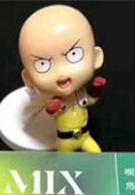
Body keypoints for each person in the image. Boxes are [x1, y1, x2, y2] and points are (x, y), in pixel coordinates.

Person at [19, 5, 106, 153]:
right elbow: (51, 110)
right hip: (65, 141)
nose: (61, 74)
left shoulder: (80, 94)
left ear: (96, 58)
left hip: (85, 136)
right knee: (64, 163)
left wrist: (96, 90)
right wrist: (53, 108)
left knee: (98, 155)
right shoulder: (55, 101)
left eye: (74, 55)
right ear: (29, 80)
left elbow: (89, 101)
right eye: (43, 65)